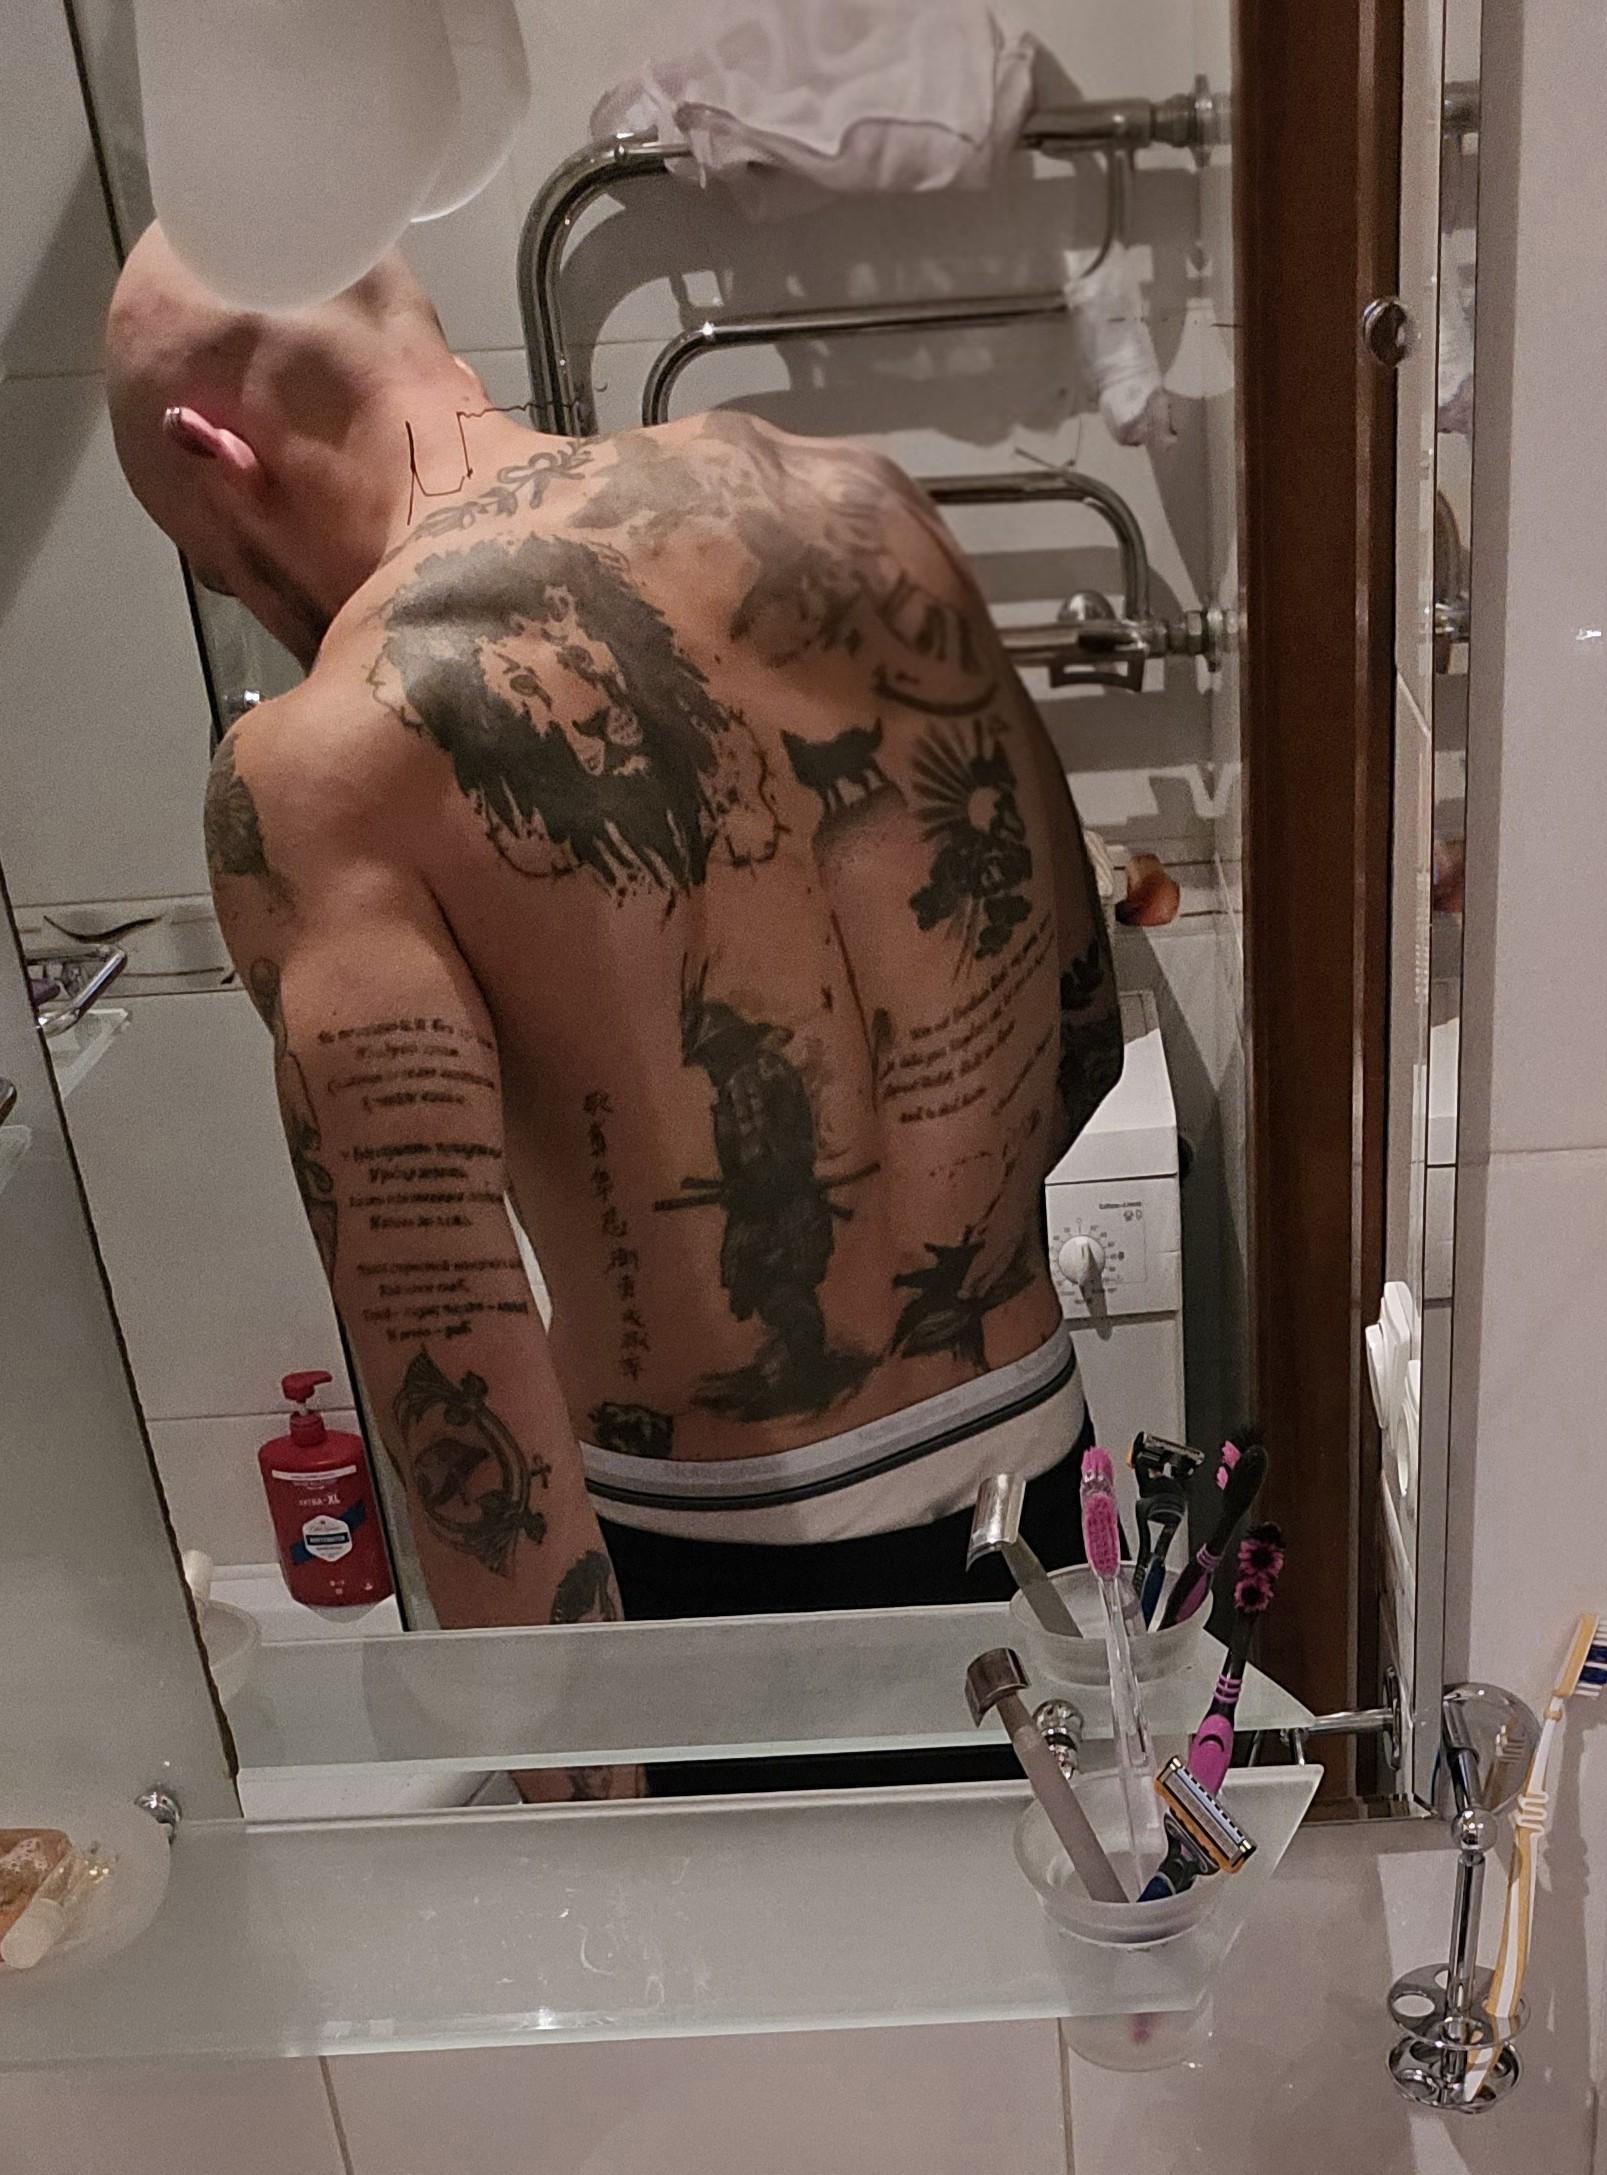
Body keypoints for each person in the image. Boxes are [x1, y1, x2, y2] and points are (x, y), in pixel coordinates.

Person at [105, 228, 1122, 1795]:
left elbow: (456, 1370)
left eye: (208, 557)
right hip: (1048, 1502)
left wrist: (581, 1814)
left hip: (719, 1593)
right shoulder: (863, 508)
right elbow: (1079, 1036)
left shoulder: (320, 764)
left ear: (213, 451)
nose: (241, 591)